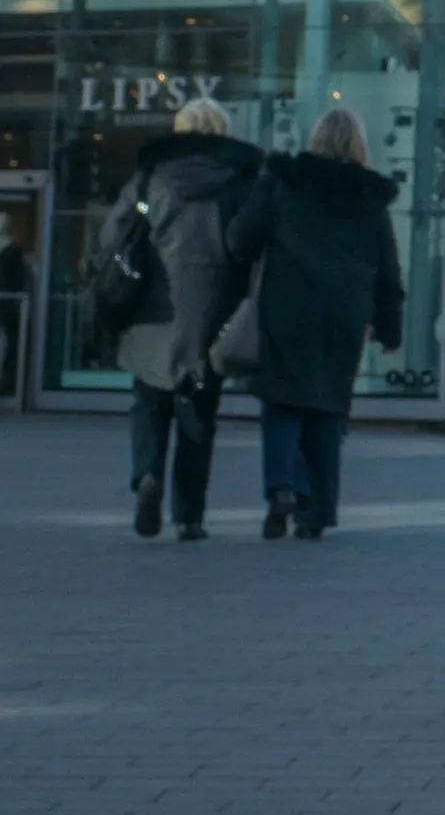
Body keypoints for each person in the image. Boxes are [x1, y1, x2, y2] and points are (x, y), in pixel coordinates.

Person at [229, 107, 404, 539]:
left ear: (317, 138)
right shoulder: (370, 198)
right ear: (359, 144)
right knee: (327, 409)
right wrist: (389, 327)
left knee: (282, 401)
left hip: (286, 304)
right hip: (344, 314)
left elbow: (241, 238)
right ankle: (318, 510)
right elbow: (387, 270)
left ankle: (281, 488)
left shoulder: (284, 181)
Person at [95, 98, 261, 541]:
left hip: (154, 309)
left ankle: (148, 477)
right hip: (213, 312)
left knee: (149, 401)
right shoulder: (242, 181)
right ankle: (190, 516)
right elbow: (250, 244)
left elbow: (115, 232)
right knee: (199, 412)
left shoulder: (151, 179)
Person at [0, 211, 27, 402]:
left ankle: (7, 383)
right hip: (6, 303)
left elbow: (16, 280)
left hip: (7, 306)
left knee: (6, 344)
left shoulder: (12, 251)